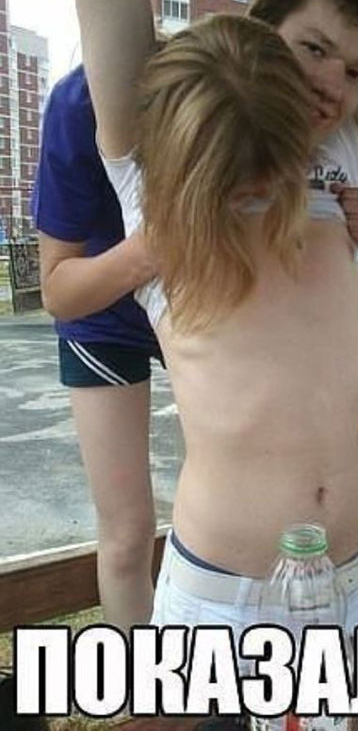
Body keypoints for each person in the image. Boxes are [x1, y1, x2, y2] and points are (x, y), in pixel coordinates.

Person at [67, 0, 358, 727]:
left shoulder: (349, 154)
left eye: (356, 71)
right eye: (313, 48)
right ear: (258, 33)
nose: (332, 84)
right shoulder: (162, 168)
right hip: (227, 603)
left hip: (355, 582)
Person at [32, 64, 161, 631]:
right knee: (128, 535)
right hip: (104, 312)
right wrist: (156, 247)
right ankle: (144, 680)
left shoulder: (249, 82)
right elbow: (58, 291)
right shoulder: (78, 101)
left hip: (208, 300)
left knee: (253, 506)